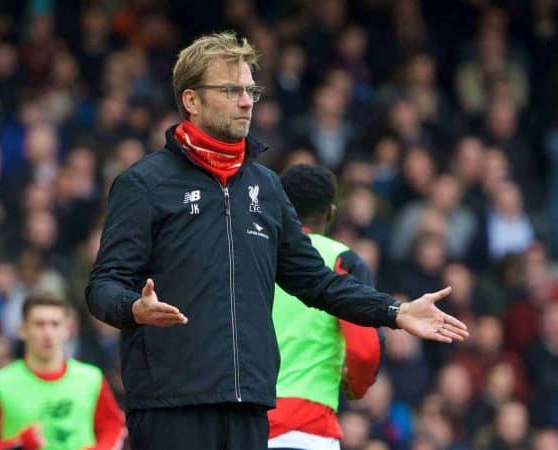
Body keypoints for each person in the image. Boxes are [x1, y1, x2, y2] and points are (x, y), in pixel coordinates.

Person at [85, 31, 468, 450]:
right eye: (231, 90)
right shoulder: (144, 184)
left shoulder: (266, 187)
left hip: (250, 406)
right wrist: (134, 308)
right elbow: (102, 287)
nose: (247, 101)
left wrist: (394, 311)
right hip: (170, 406)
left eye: (251, 90)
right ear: (191, 101)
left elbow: (316, 282)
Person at [269, 164, 384, 450]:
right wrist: (356, 386)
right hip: (306, 429)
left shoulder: (256, 254)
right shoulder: (341, 260)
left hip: (244, 426)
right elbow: (365, 349)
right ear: (331, 212)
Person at [0, 292, 126, 450]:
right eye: (39, 324)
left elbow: (113, 427)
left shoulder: (91, 378)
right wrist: (18, 445)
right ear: (22, 329)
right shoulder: (0, 384)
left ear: (67, 329)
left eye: (55, 324)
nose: (48, 333)